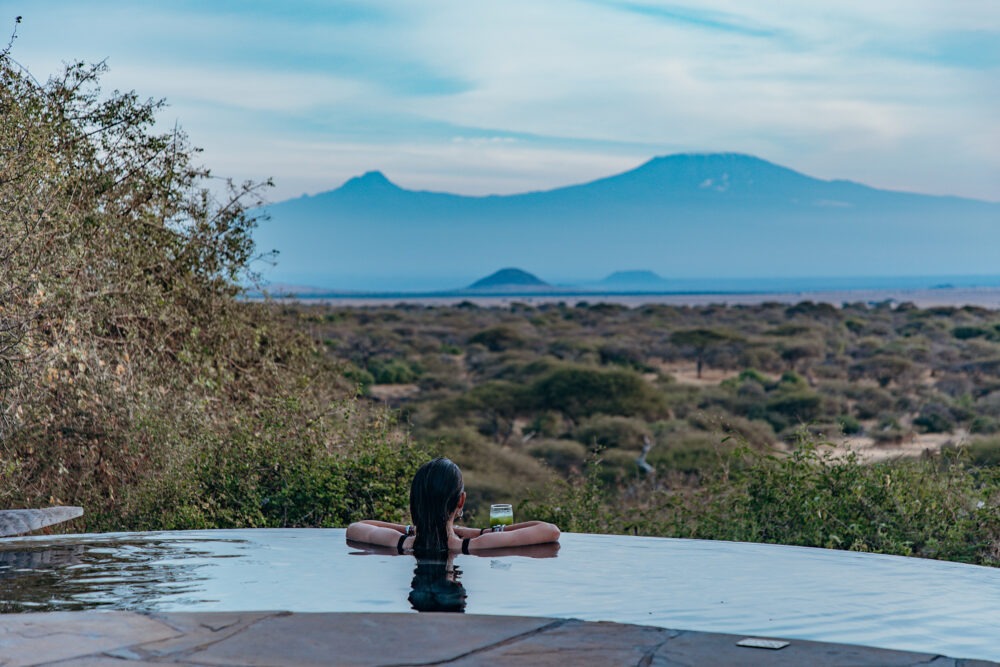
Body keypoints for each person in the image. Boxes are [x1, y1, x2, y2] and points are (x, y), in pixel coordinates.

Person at [345, 457, 560, 556]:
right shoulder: (475, 545)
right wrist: (478, 532)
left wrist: (414, 529)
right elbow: (550, 530)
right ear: (461, 501)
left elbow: (356, 527)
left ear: (415, 501)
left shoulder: (399, 543)